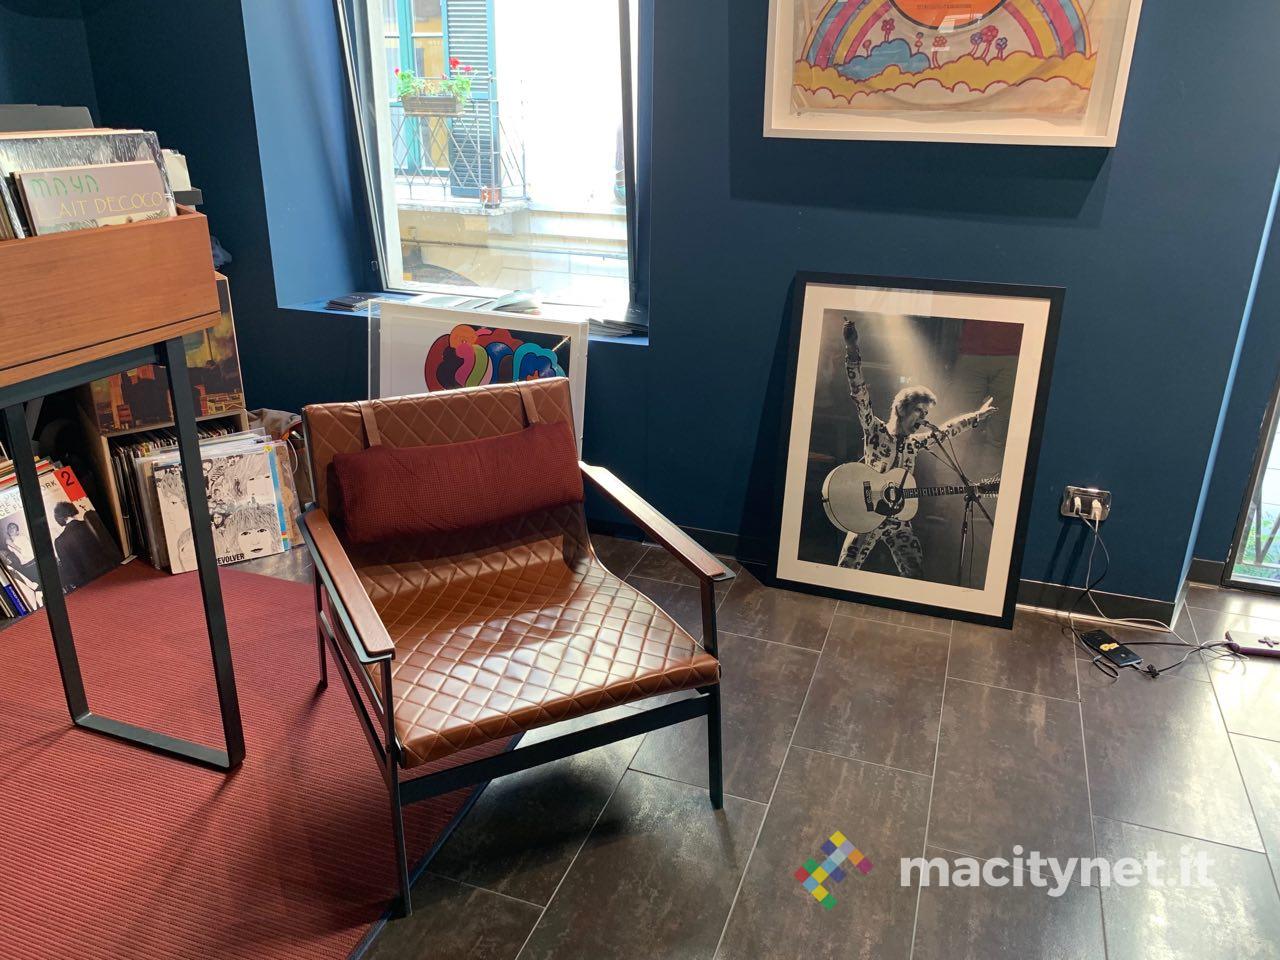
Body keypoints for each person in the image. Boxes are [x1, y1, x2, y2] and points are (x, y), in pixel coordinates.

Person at [837, 317, 995, 576]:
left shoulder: (914, 444)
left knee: (915, 572)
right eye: (919, 411)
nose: (923, 418)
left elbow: (946, 430)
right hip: (867, 516)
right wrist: (852, 349)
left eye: (926, 413)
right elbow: (860, 396)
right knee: (845, 571)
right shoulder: (875, 431)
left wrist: (976, 417)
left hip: (898, 521)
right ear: (902, 409)